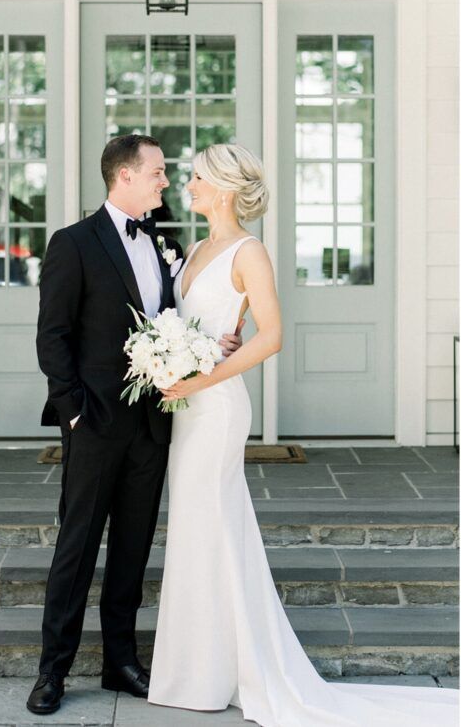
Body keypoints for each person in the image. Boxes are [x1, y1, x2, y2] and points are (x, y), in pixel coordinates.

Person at [148, 143, 459, 726]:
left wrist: (204, 374)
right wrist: (179, 360)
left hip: (215, 409)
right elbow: (210, 327)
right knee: (197, 529)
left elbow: (271, 336)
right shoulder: (194, 249)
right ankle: (197, 670)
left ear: (221, 187)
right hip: (187, 407)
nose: (185, 185)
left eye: (193, 178)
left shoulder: (249, 251)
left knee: (212, 525)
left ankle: (222, 672)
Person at [27, 134, 243, 715]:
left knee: (132, 548)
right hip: (93, 423)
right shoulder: (72, 244)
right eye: (158, 171)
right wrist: (73, 411)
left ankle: (121, 663)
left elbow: (177, 324)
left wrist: (219, 343)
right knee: (76, 547)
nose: (166, 180)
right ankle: (53, 670)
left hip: (154, 423)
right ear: (125, 175)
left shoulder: (162, 244)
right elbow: (53, 336)